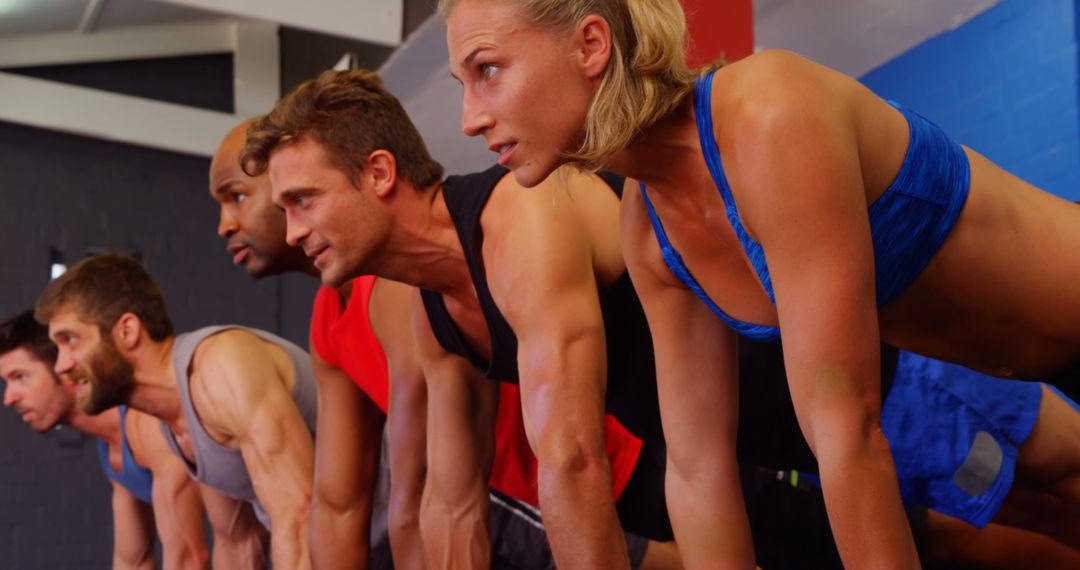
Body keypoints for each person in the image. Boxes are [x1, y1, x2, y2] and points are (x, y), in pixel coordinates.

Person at [440, 0, 1080, 566]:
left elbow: (845, 430)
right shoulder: (647, 229)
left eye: (487, 70)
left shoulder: (768, 113)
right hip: (1027, 361)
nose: (469, 119)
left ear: (590, 45)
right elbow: (698, 472)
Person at [209, 119, 666, 569]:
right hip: (512, 492)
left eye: (240, 196)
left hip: (603, 470)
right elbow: (341, 503)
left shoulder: (404, 286)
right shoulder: (338, 316)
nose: (225, 225)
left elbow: (419, 492)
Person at [34, 254, 318, 570]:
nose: (62, 365)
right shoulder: (177, 423)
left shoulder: (219, 366)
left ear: (127, 331)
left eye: (70, 340)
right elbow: (239, 545)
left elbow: (299, 514)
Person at [0, 310, 211, 570]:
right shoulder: (114, 449)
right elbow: (133, 561)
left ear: (66, 368)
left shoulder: (149, 427)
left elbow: (189, 560)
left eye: (20, 377)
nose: (9, 398)